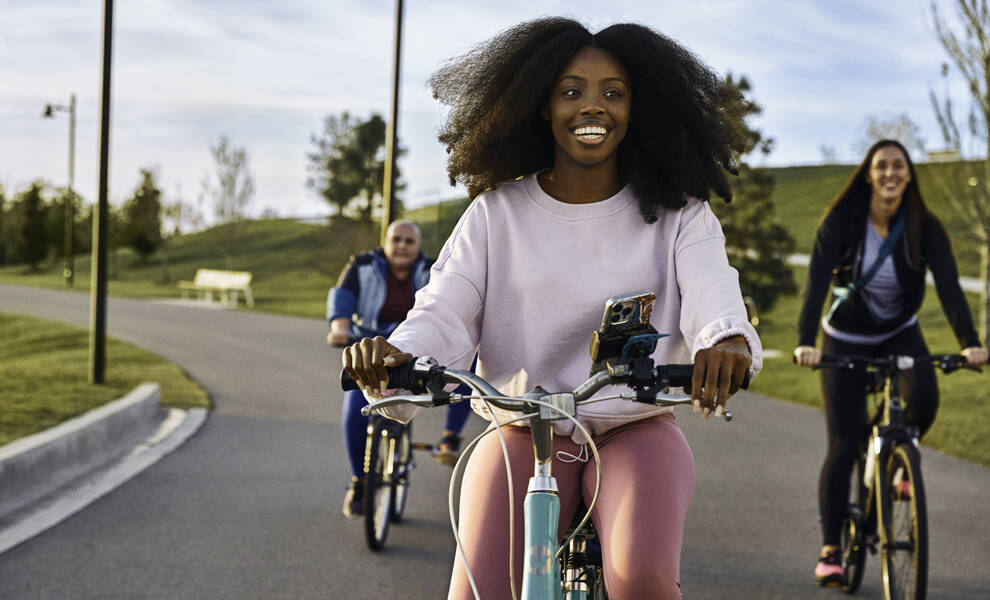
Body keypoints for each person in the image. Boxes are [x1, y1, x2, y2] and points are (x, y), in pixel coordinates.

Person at [342, 18, 761, 600]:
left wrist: (725, 340)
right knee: (479, 590)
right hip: (523, 428)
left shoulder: (680, 214)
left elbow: (713, 288)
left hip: (633, 426)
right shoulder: (496, 214)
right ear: (541, 105)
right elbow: (444, 310)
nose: (594, 107)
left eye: (614, 92)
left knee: (641, 575)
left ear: (638, 108)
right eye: (571, 91)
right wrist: (400, 355)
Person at [793, 139, 988, 586]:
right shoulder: (842, 221)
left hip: (898, 331)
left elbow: (952, 288)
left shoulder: (924, 225)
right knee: (842, 445)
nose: (890, 173)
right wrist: (805, 342)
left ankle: (897, 454)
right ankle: (831, 550)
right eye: (881, 166)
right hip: (843, 337)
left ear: (908, 174)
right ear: (868, 173)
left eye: (898, 166)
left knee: (923, 396)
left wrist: (970, 342)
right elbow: (817, 282)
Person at [327, 219, 472, 518]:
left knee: (466, 370)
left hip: (419, 350)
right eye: (396, 240)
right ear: (386, 243)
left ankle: (449, 438)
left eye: (409, 241)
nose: (402, 246)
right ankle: (360, 481)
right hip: (371, 342)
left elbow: (451, 305)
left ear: (418, 246)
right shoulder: (363, 265)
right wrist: (339, 325)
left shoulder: (434, 270)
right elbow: (342, 296)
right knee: (356, 408)